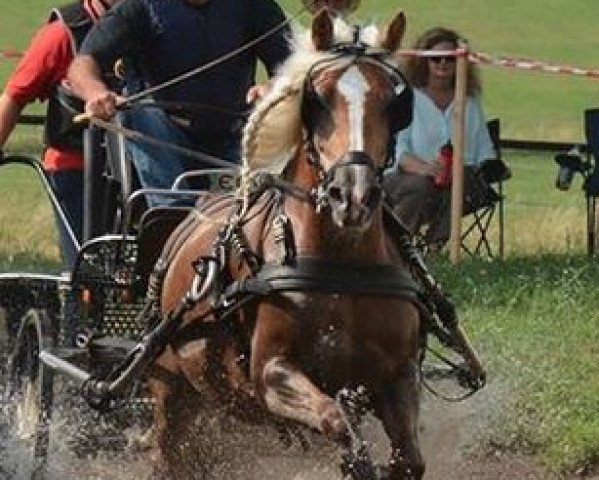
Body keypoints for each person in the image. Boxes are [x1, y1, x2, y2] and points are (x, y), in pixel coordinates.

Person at [67, 0, 292, 206]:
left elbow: (292, 63)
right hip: (163, 135)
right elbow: (84, 64)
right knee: (140, 114)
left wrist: (276, 85)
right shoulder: (139, 8)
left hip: (235, 130)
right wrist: (96, 93)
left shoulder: (253, 7)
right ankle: (171, 213)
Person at [0, 0, 121, 268]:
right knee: (86, 267)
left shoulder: (152, 24)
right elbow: (15, 95)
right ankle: (78, 306)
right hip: (76, 167)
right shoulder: (63, 33)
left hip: (140, 165)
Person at [384, 26, 498, 248]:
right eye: (436, 59)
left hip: (461, 180)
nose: (443, 64)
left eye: (449, 59)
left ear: (459, 64)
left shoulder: (469, 102)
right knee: (421, 186)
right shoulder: (409, 98)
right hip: (409, 176)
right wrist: (427, 169)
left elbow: (484, 151)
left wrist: (480, 167)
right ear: (424, 62)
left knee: (460, 179)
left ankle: (433, 247)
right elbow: (398, 151)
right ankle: (398, 247)